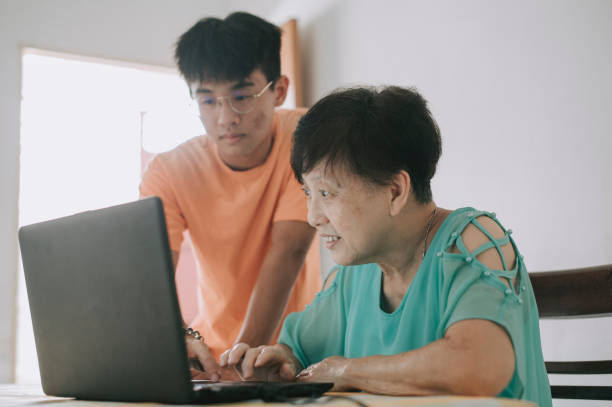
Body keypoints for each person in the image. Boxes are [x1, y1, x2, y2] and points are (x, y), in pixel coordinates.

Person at [219, 86, 553, 406]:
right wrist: (282, 363)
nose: (312, 217)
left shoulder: (472, 240)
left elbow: (478, 366)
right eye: (308, 193)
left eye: (327, 193)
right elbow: (299, 354)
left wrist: (348, 370)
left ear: (395, 191)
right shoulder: (355, 272)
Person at [139, 12, 320, 380]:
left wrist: (244, 363)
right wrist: (179, 339)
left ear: (279, 90)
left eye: (242, 97)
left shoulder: (308, 137)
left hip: (296, 352)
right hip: (212, 356)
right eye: (208, 101)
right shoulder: (169, 171)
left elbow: (288, 251)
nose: (225, 118)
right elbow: (153, 274)